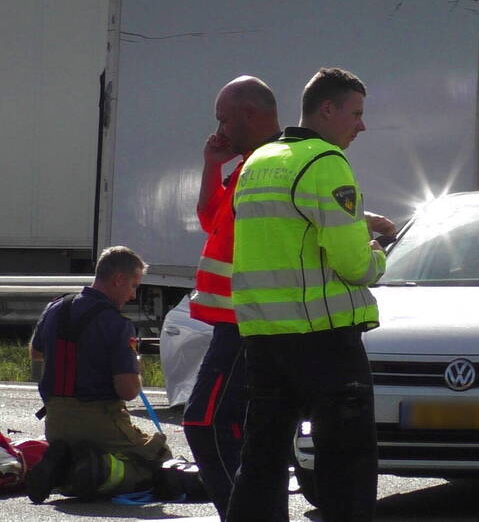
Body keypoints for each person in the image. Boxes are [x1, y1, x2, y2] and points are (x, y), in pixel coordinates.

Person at [227, 67, 388, 522]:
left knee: (262, 458)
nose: (361, 125)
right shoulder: (324, 162)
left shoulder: (259, 161)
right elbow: (354, 265)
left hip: (263, 335)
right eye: (355, 113)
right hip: (324, 336)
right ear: (327, 108)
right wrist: (378, 252)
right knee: (348, 462)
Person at [183, 76, 280, 520]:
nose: (218, 129)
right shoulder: (246, 165)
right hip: (234, 320)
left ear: (249, 114)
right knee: (235, 431)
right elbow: (210, 218)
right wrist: (211, 165)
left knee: (208, 425)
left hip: (247, 320)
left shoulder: (268, 165)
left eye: (224, 119)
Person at [25, 246, 172, 503]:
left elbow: (36, 352)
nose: (132, 295)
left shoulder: (57, 307)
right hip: (99, 420)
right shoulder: (117, 324)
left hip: (55, 422)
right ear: (118, 279)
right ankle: (91, 471)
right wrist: (133, 365)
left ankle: (63, 467)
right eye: (133, 286)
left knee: (91, 453)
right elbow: (128, 391)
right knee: (161, 463)